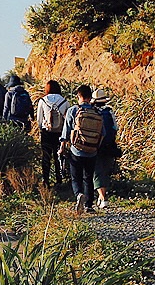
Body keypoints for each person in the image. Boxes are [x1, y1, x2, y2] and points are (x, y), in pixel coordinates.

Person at [60, 83, 117, 213]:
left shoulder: (73, 111)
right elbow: (103, 133)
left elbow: (66, 131)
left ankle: (79, 194)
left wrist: (62, 147)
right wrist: (96, 146)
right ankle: (89, 206)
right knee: (89, 177)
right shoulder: (97, 111)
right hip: (92, 151)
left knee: (76, 176)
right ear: (90, 97)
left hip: (76, 150)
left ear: (79, 96)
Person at [34, 79, 71, 185]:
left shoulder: (43, 101)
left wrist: (42, 129)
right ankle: (59, 179)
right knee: (58, 156)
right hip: (60, 132)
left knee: (46, 157)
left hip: (47, 132)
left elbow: (39, 119)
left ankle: (46, 180)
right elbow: (67, 119)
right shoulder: (64, 101)